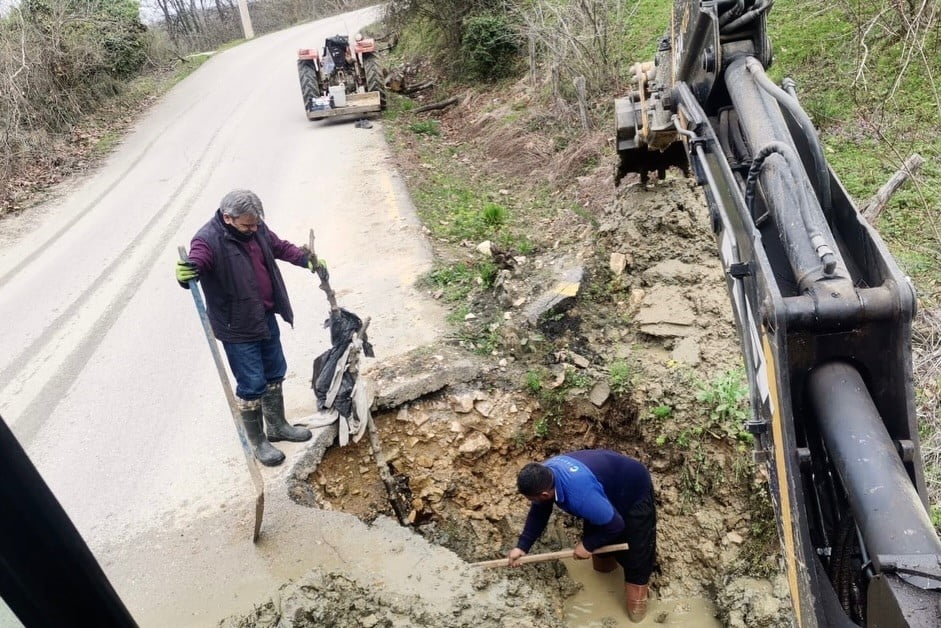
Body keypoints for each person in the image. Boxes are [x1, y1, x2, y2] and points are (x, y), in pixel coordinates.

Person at [175, 189, 328, 467]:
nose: (254, 229)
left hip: (264, 314)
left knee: (274, 372)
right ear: (228, 218)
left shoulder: (256, 229)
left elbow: (278, 246)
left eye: (256, 223)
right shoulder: (207, 240)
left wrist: (306, 260)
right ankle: (258, 442)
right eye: (248, 225)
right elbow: (196, 264)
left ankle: (278, 426)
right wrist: (186, 274)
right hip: (237, 326)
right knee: (252, 383)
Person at [507, 449, 657, 622]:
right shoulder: (545, 476)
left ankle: (637, 612)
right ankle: (605, 571)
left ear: (544, 494)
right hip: (602, 486)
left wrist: (587, 545)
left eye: (532, 499)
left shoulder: (580, 495)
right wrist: (522, 547)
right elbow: (539, 513)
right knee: (599, 540)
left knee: (637, 554)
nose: (532, 502)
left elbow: (616, 525)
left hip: (631, 487)